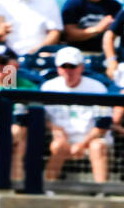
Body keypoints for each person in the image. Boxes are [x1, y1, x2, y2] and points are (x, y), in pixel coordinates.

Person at [35, 46, 112, 183]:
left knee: (98, 146)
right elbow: (40, 118)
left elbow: (102, 125)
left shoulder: (97, 87)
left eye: (72, 66)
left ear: (81, 67)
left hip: (91, 139)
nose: (68, 71)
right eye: (64, 66)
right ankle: (47, 189)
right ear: (58, 68)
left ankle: (101, 192)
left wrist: (82, 144)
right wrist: (54, 128)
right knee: (58, 145)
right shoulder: (48, 87)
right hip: (62, 140)